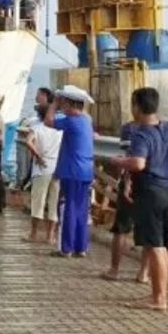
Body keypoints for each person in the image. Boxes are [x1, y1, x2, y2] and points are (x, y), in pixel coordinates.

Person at [108, 87, 168, 311]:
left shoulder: (141, 133)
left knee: (155, 245)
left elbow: (137, 163)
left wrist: (118, 161)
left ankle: (158, 298)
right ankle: (160, 294)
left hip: (150, 191)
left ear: (137, 106)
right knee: (163, 247)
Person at [51, 85, 96, 258]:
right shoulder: (87, 120)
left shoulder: (71, 121)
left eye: (64, 103)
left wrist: (53, 105)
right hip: (85, 171)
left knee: (67, 208)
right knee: (81, 210)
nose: (62, 106)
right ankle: (81, 247)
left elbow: (48, 121)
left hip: (72, 172)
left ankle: (66, 247)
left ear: (70, 104)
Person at [101, 122, 139, 281]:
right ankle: (144, 273)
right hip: (155, 183)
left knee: (121, 228)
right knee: (152, 232)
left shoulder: (130, 128)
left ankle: (114, 270)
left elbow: (129, 157)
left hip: (133, 182)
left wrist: (126, 180)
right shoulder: (163, 127)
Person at [23, 103, 62, 244]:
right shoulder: (60, 130)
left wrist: (37, 155)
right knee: (54, 203)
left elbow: (28, 142)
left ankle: (33, 234)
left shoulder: (37, 128)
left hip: (41, 169)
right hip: (57, 168)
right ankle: (50, 236)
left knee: (38, 203)